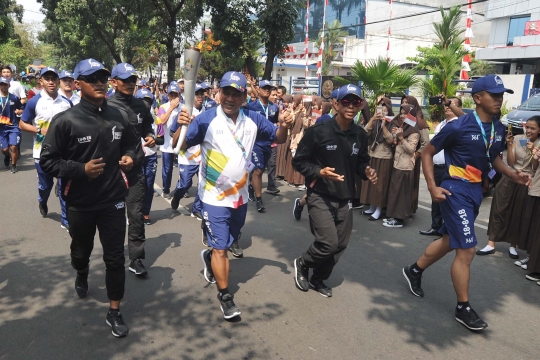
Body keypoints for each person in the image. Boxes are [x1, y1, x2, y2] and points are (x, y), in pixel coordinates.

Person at [402, 75, 530, 331]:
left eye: (501, 94)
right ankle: (463, 307)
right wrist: (432, 186)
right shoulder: (458, 126)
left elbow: (493, 159)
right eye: (494, 95)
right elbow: (427, 152)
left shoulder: (496, 126)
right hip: (453, 190)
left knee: (453, 240)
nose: (499, 99)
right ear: (478, 98)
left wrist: (512, 173)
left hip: (474, 193)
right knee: (467, 248)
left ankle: (414, 270)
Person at [175, 71, 293, 319]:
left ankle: (209, 257)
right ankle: (225, 296)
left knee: (227, 243)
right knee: (222, 249)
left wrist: (283, 124)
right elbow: (180, 144)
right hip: (212, 197)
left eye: (235, 94)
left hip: (239, 197)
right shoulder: (206, 120)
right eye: (225, 92)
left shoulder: (253, 119)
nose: (230, 98)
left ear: (243, 97)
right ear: (218, 94)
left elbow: (278, 138)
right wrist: (181, 126)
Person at [39, 58, 139, 338]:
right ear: (78, 83)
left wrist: (131, 157)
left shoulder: (119, 115)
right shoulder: (65, 121)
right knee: (80, 252)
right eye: (92, 79)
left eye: (103, 78)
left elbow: (133, 144)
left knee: (115, 257)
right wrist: (80, 169)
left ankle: (114, 310)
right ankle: (81, 271)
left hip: (113, 200)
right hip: (79, 202)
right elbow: (48, 162)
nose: (99, 83)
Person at [292, 84, 377, 297]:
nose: (351, 106)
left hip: (346, 196)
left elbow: (361, 162)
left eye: (355, 102)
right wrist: (320, 172)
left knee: (339, 245)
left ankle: (318, 278)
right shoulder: (318, 132)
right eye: (346, 101)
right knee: (328, 242)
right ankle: (303, 263)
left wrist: (366, 170)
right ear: (336, 104)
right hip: (320, 194)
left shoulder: (359, 135)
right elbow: (299, 162)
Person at [108, 63, 156, 276]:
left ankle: (136, 258)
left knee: (135, 214)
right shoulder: (105, 106)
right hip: (109, 172)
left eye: (133, 80)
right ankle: (113, 254)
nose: (130, 84)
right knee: (111, 217)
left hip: (135, 169)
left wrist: (151, 136)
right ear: (114, 82)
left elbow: (148, 127)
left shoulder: (141, 106)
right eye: (125, 80)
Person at [476, 115, 540, 258]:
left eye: (532, 128)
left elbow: (535, 167)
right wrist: (510, 146)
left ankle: (513, 245)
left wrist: (533, 151)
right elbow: (511, 163)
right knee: (499, 208)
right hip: (510, 176)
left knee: (518, 213)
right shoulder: (517, 139)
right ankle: (490, 243)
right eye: (527, 127)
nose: (528, 130)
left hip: (526, 181)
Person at [20, 67, 71, 230]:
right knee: (45, 186)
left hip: (63, 153)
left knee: (64, 186)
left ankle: (66, 219)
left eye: (54, 79)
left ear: (58, 81)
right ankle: (42, 200)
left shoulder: (66, 103)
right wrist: (38, 130)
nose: (51, 82)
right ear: (41, 81)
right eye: (47, 79)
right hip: (41, 152)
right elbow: (22, 123)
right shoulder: (34, 102)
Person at [420, 97, 462, 235]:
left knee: (449, 200)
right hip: (437, 166)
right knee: (436, 198)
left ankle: (446, 230)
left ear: (459, 108)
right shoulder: (441, 125)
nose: (447, 106)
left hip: (450, 168)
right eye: (446, 104)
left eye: (452, 104)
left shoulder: (461, 125)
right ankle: (436, 226)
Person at [170, 83, 205, 221]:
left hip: (203, 156)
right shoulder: (184, 112)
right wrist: (185, 125)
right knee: (185, 184)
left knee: (202, 184)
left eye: (202, 93)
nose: (200, 96)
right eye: (197, 94)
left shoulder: (208, 111)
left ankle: (196, 209)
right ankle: (177, 196)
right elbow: (173, 133)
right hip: (187, 156)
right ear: (191, 96)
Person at [383, 105, 420, 228]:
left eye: (406, 114)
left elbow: (411, 149)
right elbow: (395, 143)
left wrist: (401, 138)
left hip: (405, 166)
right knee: (395, 192)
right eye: (402, 113)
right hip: (397, 163)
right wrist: (395, 136)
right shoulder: (403, 127)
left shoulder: (414, 131)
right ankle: (394, 216)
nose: (403, 116)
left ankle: (399, 220)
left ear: (412, 116)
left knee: (402, 194)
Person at [245, 79, 280, 212]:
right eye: (264, 88)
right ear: (258, 90)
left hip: (269, 143)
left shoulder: (274, 108)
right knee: (259, 170)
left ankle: (251, 186)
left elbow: (275, 124)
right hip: (255, 143)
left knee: (259, 169)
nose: (267, 90)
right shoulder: (251, 107)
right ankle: (259, 200)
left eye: (269, 88)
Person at [360, 97, 394, 220]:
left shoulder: (392, 123)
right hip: (372, 155)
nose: (383, 113)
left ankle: (379, 209)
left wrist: (384, 126)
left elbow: (390, 140)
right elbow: (364, 133)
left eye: (385, 111)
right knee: (371, 184)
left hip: (384, 157)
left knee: (380, 185)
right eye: (381, 110)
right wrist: (373, 119)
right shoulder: (375, 122)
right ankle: (372, 207)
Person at [134, 88, 162, 225]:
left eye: (148, 102)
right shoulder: (130, 118)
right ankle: (133, 212)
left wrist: (154, 140)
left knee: (149, 186)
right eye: (142, 102)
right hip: (135, 158)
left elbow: (162, 140)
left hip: (151, 157)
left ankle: (145, 213)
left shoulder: (156, 119)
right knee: (136, 186)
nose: (146, 105)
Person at [401, 95, 429, 215]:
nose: (403, 104)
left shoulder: (420, 122)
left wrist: (416, 154)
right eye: (402, 102)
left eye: (406, 102)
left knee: (411, 185)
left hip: (413, 157)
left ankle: (409, 208)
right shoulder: (405, 120)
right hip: (402, 156)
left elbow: (425, 142)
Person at [156, 83, 181, 198]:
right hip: (167, 145)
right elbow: (161, 121)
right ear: (168, 95)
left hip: (180, 145)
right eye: (171, 95)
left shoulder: (184, 107)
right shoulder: (163, 107)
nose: (174, 97)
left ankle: (182, 188)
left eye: (176, 95)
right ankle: (166, 189)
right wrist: (171, 108)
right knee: (168, 170)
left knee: (183, 168)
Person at [0, 76, 23, 173]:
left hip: (13, 126)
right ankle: (7, 155)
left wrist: (19, 111)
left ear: (9, 85)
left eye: (5, 85)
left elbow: (22, 108)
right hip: (1, 128)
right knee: (4, 149)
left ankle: (14, 165)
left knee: (14, 146)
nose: (3, 87)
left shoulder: (14, 98)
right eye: (1, 85)